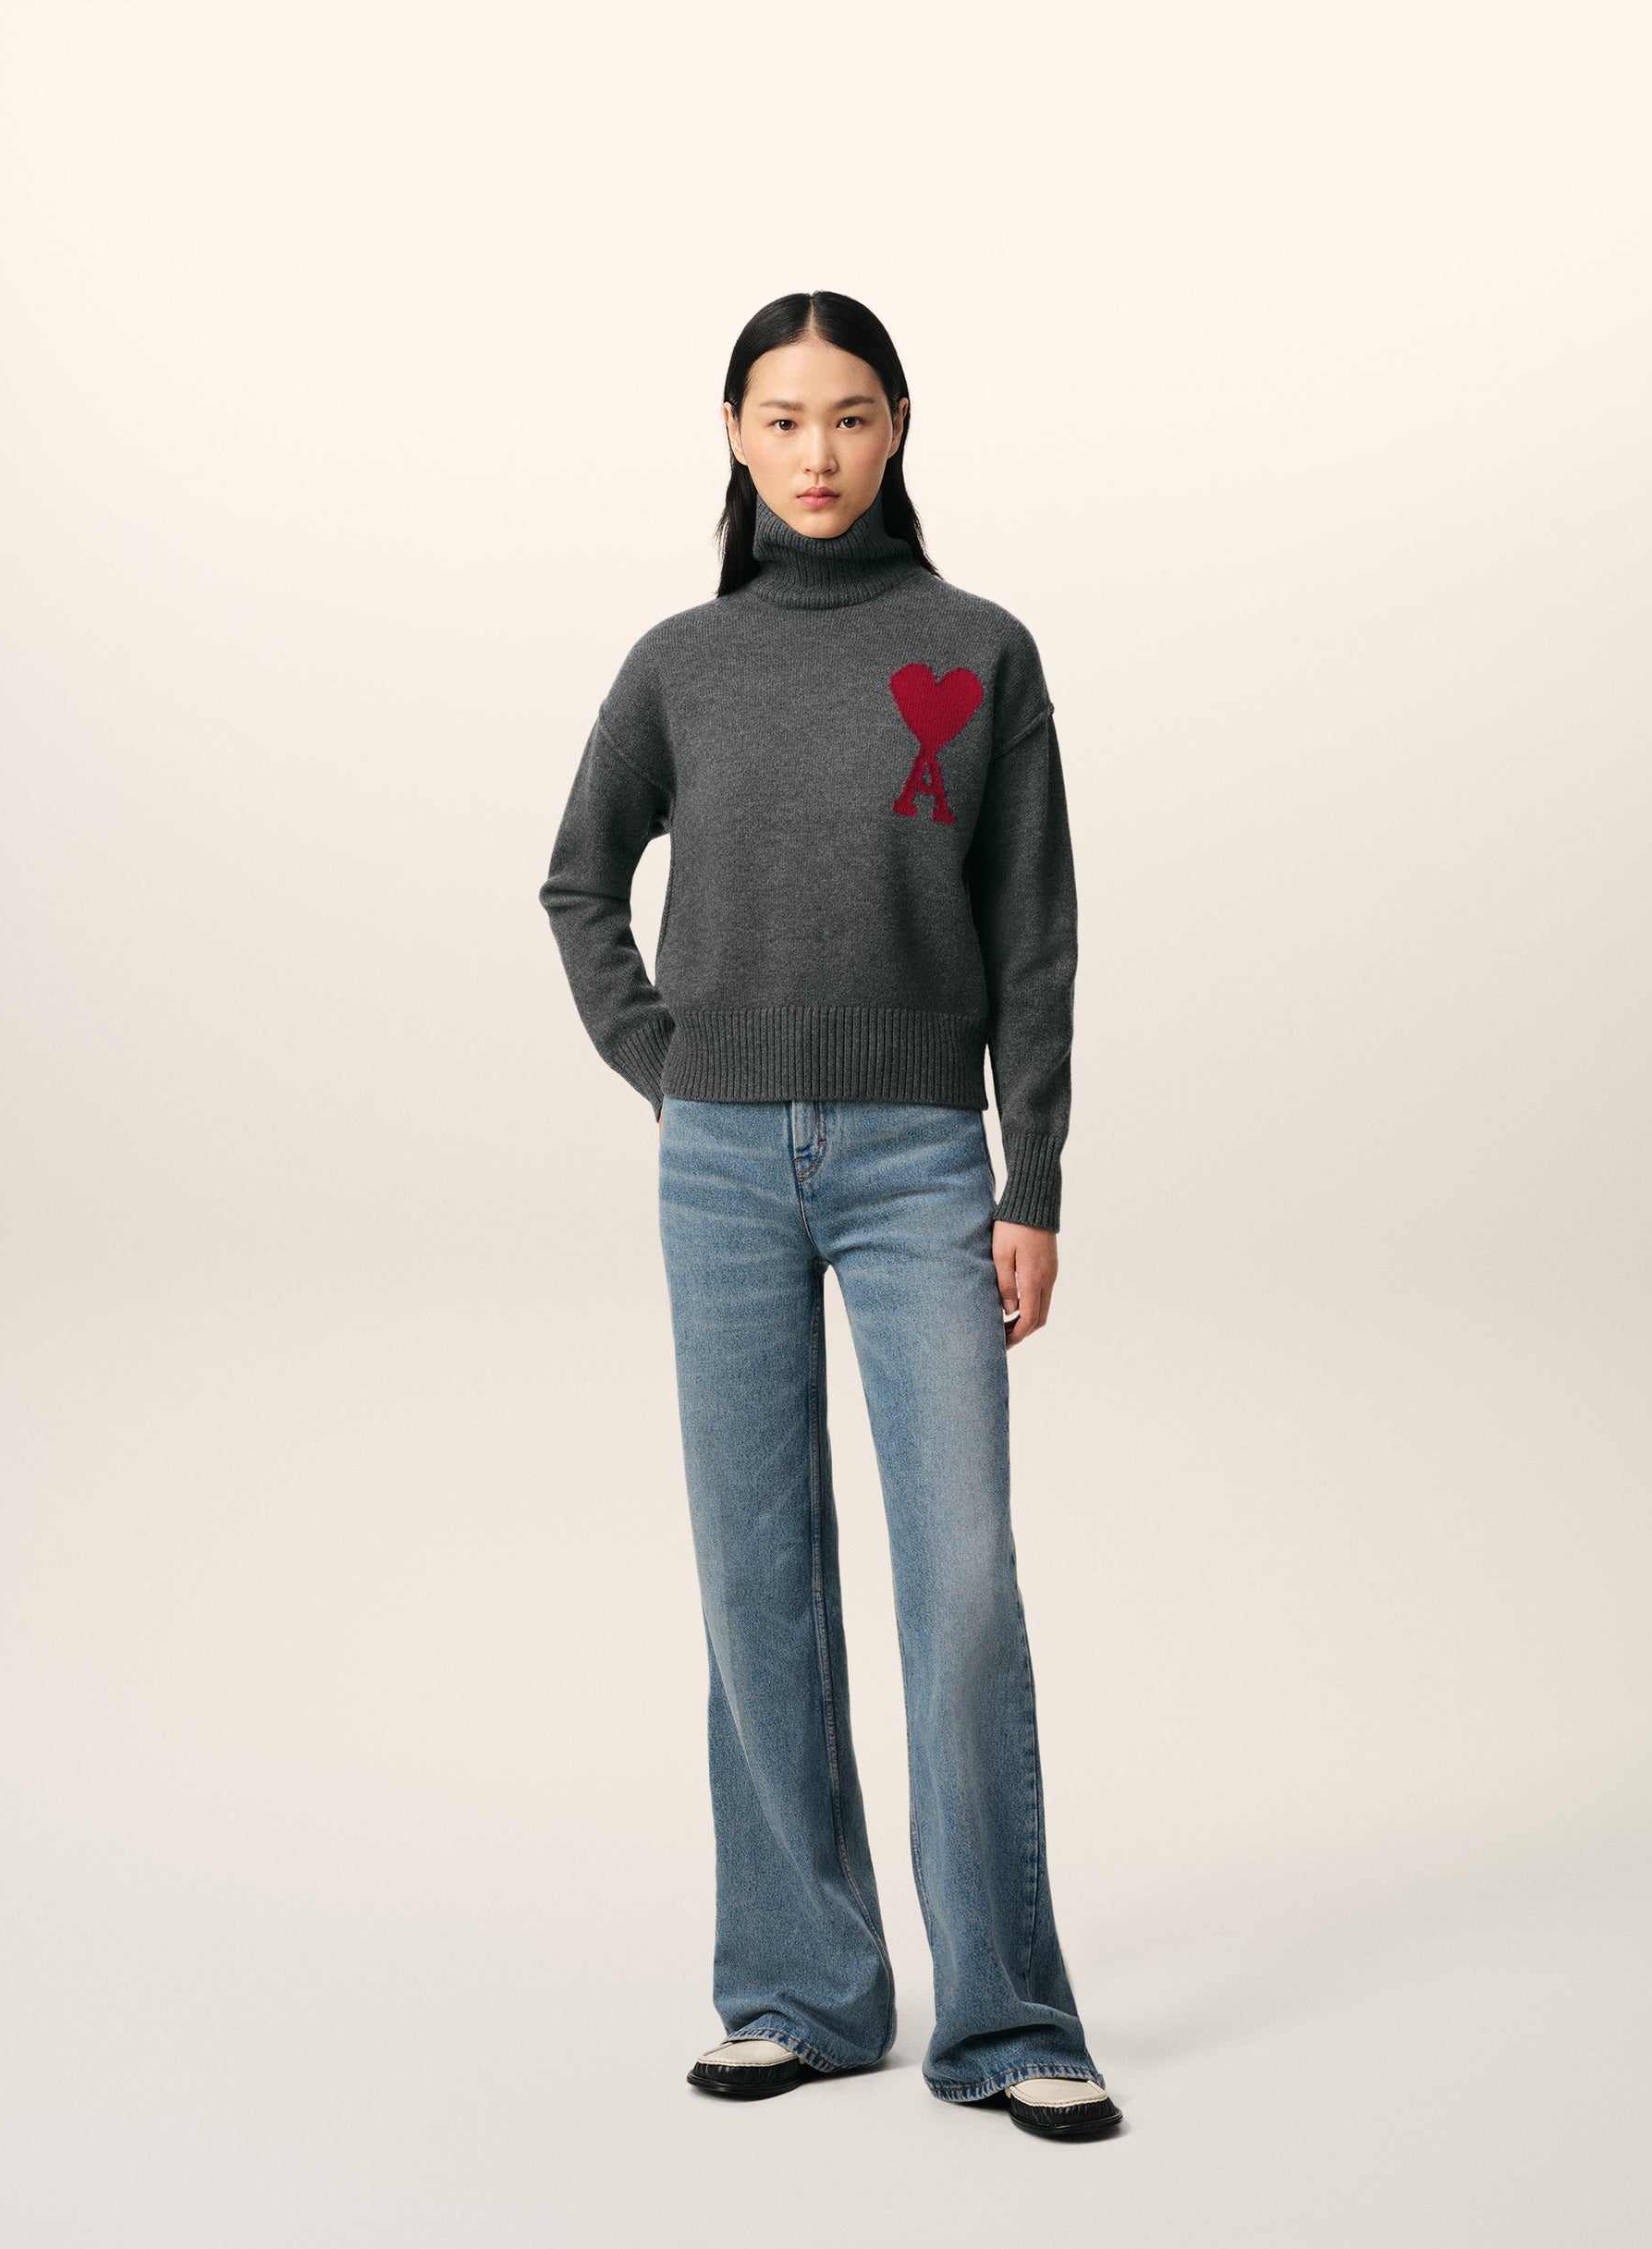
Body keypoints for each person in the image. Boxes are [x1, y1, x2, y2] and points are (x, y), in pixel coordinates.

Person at [539, 291, 1117, 2142]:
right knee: (756, 1577)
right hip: (716, 1164)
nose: (815, 450)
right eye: (781, 417)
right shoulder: (681, 663)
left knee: (962, 1584)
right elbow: (577, 879)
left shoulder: (979, 647)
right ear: (732, 431)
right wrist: (667, 1058)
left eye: (848, 415)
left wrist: (1030, 1175)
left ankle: (1007, 2013)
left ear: (897, 427)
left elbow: (1032, 934)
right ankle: (798, 1988)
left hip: (919, 1157)